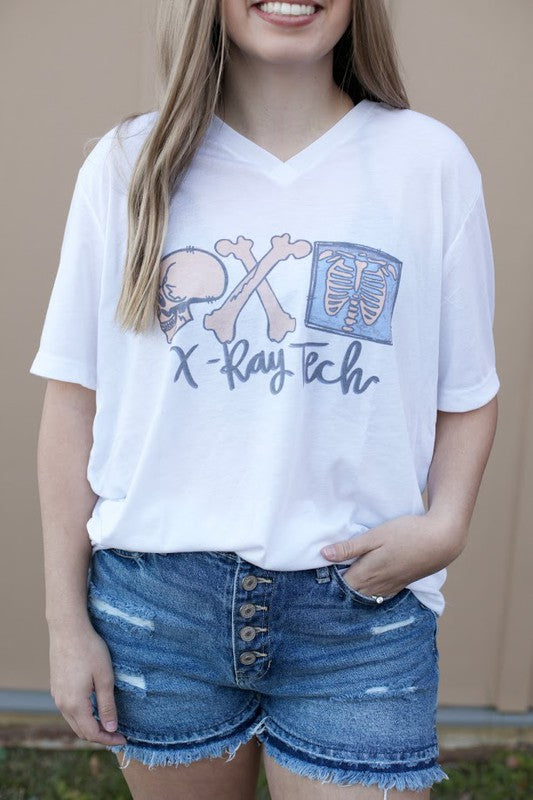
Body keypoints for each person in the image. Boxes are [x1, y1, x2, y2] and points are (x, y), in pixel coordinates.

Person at [29, 0, 500, 797]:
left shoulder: (427, 164)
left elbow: (467, 391)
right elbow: (74, 402)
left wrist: (445, 524)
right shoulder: (127, 165)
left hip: (358, 610)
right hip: (159, 607)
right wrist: (65, 623)